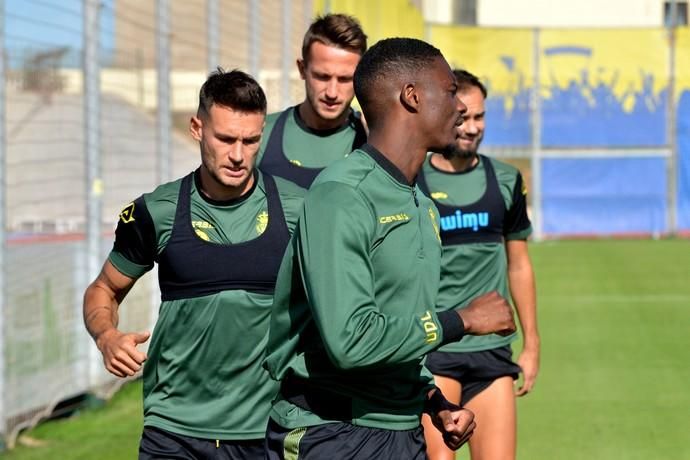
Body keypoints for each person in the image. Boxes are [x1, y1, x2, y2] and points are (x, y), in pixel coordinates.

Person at [262, 38, 517, 459]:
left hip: (402, 432)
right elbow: (351, 340)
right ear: (412, 97)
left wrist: (434, 401)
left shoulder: (420, 206)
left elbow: (399, 329)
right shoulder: (342, 194)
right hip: (334, 436)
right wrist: (463, 321)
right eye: (451, 91)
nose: (460, 108)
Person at [82, 69, 305, 459]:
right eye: (225, 138)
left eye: (250, 141)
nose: (238, 154)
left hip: (265, 430)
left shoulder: (299, 209)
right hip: (173, 430)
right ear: (197, 128)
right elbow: (104, 289)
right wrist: (107, 337)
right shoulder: (156, 212)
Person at [418, 69, 540, 460]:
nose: (471, 127)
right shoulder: (412, 181)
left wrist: (532, 342)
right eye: (463, 116)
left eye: (480, 117)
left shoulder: (505, 180)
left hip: (491, 353)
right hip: (435, 350)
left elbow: (518, 265)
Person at [258, 13, 368, 188]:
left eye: (344, 79)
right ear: (302, 69)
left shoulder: (371, 139)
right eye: (322, 77)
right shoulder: (261, 135)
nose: (332, 93)